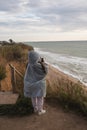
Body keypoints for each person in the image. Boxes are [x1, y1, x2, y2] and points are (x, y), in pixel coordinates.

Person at [24, 50, 48, 115]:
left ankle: (35, 109)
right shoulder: (41, 65)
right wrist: (42, 62)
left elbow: (27, 74)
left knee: (33, 97)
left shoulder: (29, 65)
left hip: (31, 84)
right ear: (37, 57)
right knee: (40, 97)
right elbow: (46, 71)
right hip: (40, 85)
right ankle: (40, 111)